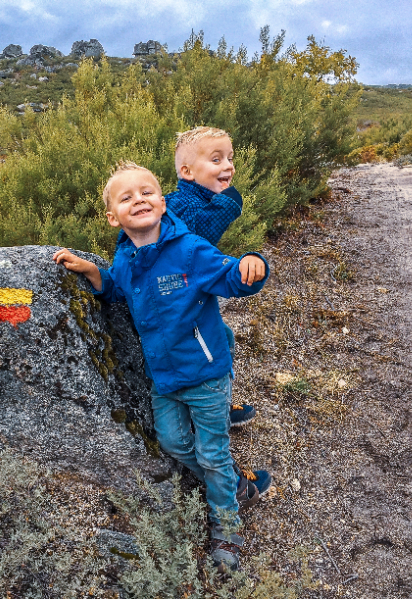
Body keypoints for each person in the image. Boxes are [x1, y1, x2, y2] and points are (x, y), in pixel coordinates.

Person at [53, 161, 272, 572]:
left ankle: (227, 530)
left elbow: (231, 276)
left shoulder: (189, 250)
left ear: (163, 201)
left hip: (206, 375)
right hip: (164, 379)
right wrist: (93, 273)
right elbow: (119, 289)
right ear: (111, 216)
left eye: (148, 192)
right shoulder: (125, 257)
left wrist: (253, 265)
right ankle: (235, 485)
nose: (139, 199)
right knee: (172, 442)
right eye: (127, 197)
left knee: (211, 453)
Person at [116, 126, 256, 429]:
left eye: (230, 158)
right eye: (216, 159)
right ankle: (210, 406)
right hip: (168, 294)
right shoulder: (186, 205)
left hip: (183, 287)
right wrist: (233, 201)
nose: (228, 166)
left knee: (222, 337)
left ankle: (217, 401)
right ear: (186, 171)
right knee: (209, 341)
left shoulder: (189, 199)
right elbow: (217, 218)